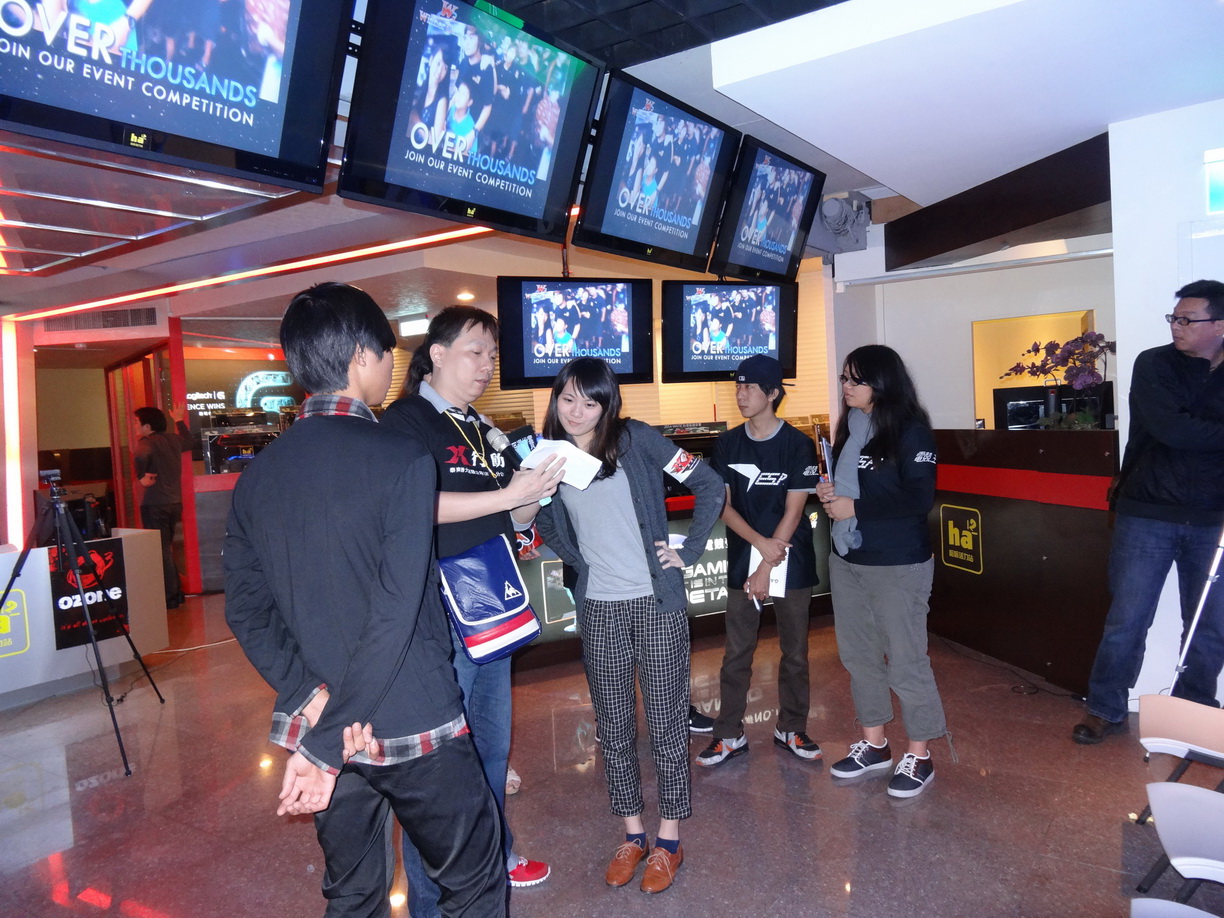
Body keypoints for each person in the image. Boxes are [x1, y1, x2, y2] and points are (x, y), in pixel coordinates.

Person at [223, 282, 505, 917]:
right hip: (412, 715)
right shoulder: (403, 458)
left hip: (322, 713)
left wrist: (312, 701)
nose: (389, 367)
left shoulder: (259, 474)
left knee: (353, 893)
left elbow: (245, 609)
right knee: (473, 883)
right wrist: (331, 740)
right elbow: (397, 611)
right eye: (386, 353)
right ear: (360, 357)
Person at [381, 306, 561, 915]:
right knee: (439, 770)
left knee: (490, 750)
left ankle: (491, 858)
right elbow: (414, 506)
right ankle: (432, 902)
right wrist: (509, 493)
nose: (487, 366)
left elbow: (513, 515)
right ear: (436, 354)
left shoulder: (483, 427)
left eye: (493, 355)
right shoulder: (407, 421)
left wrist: (534, 493)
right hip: (438, 613)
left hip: (493, 603)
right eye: (475, 352)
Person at [533, 357, 724, 894]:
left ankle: (669, 840)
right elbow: (543, 518)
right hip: (599, 608)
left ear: (608, 405)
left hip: (655, 603)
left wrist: (687, 549)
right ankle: (633, 834)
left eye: (589, 401)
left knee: (666, 724)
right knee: (613, 728)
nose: (576, 411)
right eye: (567, 399)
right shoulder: (550, 457)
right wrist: (579, 562)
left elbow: (710, 484)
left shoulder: (637, 439)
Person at [1073, 279, 1224, 743]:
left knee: (1209, 625)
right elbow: (1171, 429)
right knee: (1128, 618)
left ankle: (1193, 711)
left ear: (1220, 325)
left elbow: (1188, 429)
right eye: (1174, 318)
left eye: (1187, 319)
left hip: (1214, 519)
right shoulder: (1154, 363)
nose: (1176, 326)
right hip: (1147, 512)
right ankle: (1105, 707)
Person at [816, 345, 945, 799]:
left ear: (883, 382)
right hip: (848, 557)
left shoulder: (910, 431)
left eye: (857, 379)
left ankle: (920, 754)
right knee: (859, 656)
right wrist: (831, 494)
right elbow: (851, 487)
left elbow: (919, 498)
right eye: (844, 379)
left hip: (898, 563)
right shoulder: (850, 428)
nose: (847, 387)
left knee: (906, 660)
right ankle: (874, 744)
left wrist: (855, 506)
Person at [697, 355, 822, 767]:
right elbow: (723, 506)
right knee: (736, 652)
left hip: (790, 557)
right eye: (738, 386)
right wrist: (758, 547)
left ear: (772, 394)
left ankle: (792, 727)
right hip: (744, 557)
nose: (740, 394)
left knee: (795, 652)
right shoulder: (727, 443)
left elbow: (794, 510)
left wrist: (768, 562)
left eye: (749, 387)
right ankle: (728, 734)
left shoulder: (798, 444)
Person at [132, 404, 191, 609]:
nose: (135, 426)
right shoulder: (173, 440)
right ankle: (177, 593)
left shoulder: (146, 442)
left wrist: (141, 476)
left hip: (154, 503)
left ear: (147, 426)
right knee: (166, 547)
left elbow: (140, 455)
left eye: (137, 422)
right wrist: (179, 420)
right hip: (174, 502)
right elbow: (189, 441)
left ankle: (170, 596)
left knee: (161, 550)